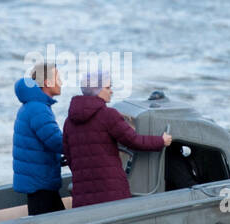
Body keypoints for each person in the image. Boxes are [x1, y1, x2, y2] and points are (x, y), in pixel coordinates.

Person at [63, 65, 171, 208]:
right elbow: (134, 141)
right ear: (98, 90)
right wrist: (161, 141)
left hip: (83, 195)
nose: (111, 91)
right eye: (108, 87)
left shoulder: (69, 121)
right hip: (110, 192)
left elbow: (69, 156)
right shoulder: (108, 115)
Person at [13, 62, 66, 215]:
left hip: (37, 180)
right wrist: (81, 146)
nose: (61, 83)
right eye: (58, 78)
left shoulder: (31, 106)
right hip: (40, 183)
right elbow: (56, 141)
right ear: (47, 82)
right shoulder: (38, 109)